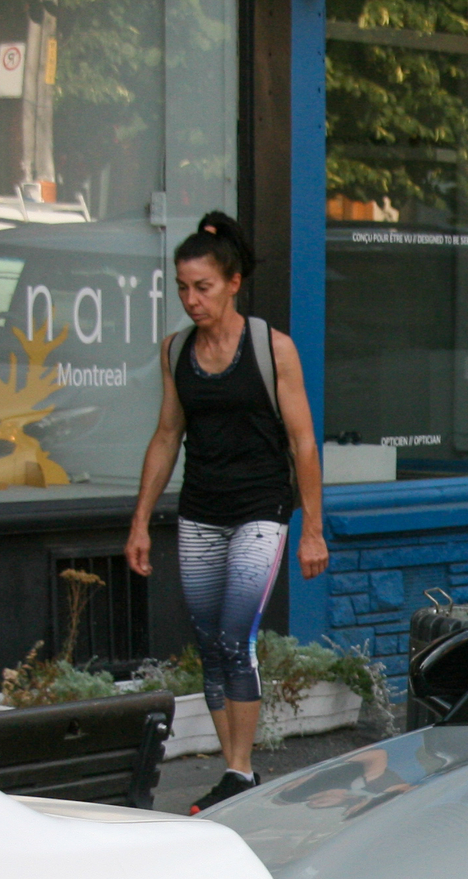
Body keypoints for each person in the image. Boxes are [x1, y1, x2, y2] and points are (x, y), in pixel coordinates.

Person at [126, 212, 328, 814]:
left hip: (261, 509)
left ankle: (239, 771)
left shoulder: (271, 348)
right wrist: (139, 521)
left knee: (236, 635)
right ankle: (234, 769)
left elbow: (304, 443)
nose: (191, 299)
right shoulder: (176, 352)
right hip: (200, 511)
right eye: (183, 288)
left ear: (233, 283)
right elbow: (166, 437)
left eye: (203, 287)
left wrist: (311, 528)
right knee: (211, 642)